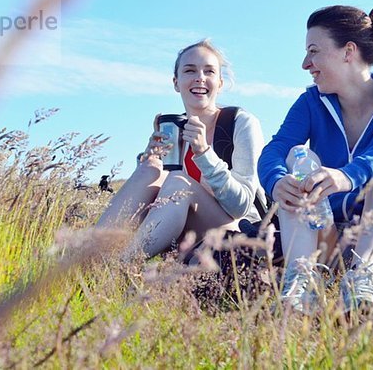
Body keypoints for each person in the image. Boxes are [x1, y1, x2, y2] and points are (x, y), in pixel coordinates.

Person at [258, 5, 373, 315]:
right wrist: (276, 181)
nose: (305, 64)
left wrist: (349, 175)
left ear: (348, 51)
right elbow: (277, 147)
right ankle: (302, 286)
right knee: (298, 159)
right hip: (332, 242)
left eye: (314, 51)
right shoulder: (311, 102)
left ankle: (365, 280)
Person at [97, 39, 264, 260]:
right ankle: (87, 259)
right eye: (190, 70)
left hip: (238, 231)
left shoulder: (240, 123)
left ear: (220, 83)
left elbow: (240, 206)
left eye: (209, 71)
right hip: (185, 228)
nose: (200, 77)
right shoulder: (173, 130)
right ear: (176, 83)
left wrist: (204, 153)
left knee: (178, 181)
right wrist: (149, 162)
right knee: (150, 172)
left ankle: (121, 267)